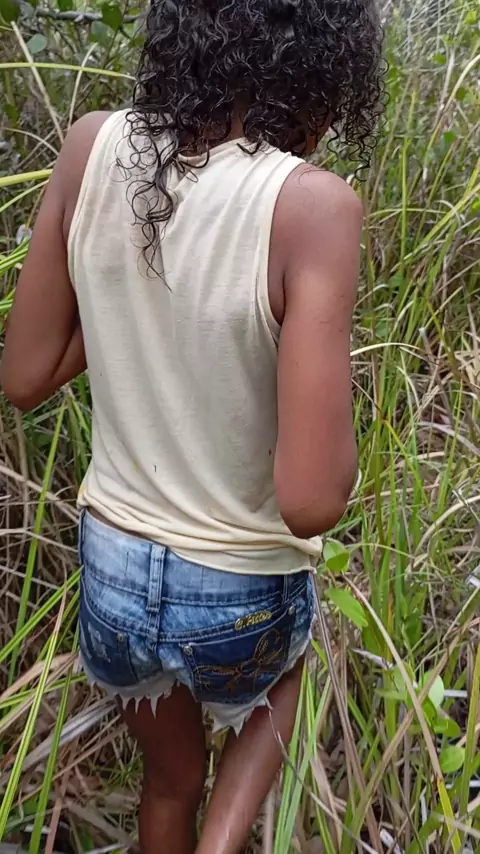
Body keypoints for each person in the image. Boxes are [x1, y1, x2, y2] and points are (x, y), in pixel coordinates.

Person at [1, 0, 384, 851]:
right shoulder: (312, 205)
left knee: (169, 781)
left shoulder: (93, 146)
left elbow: (23, 376)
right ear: (321, 66)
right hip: (236, 597)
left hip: (111, 579)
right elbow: (312, 501)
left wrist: (134, 301)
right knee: (299, 659)